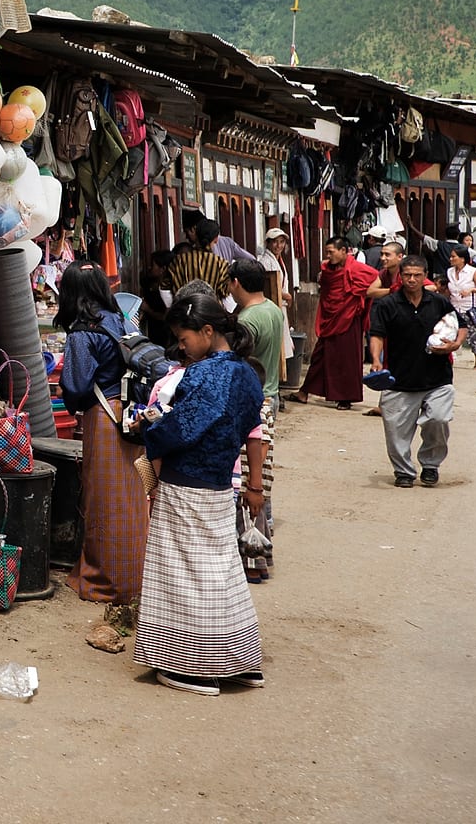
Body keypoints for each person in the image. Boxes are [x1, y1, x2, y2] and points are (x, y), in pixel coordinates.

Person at [134, 294, 266, 696]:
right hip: (219, 484)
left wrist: (148, 430)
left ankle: (191, 666)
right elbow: (248, 426)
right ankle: (238, 661)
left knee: (186, 576)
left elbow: (184, 429)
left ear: (208, 332)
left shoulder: (205, 375)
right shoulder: (245, 373)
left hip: (186, 483)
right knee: (223, 571)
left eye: (184, 337)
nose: (180, 346)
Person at [57, 261, 148, 605]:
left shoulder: (83, 332)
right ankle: (136, 574)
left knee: (104, 502)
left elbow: (77, 385)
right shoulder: (119, 318)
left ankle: (106, 581)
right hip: (130, 415)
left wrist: (71, 399)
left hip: (104, 416)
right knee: (133, 499)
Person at [368, 255, 465, 488]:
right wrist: (375, 360)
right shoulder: (387, 305)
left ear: (425, 277)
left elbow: (460, 325)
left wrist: (455, 344)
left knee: (439, 420)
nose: (412, 279)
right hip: (399, 379)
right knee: (395, 432)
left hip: (437, 378)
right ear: (400, 277)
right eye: (407, 275)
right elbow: (377, 334)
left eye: (417, 275)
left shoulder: (438, 302)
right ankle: (403, 472)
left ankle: (430, 465)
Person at [229, 259, 283, 583]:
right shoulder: (274, 310)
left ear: (236, 282)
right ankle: (264, 540)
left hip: (253, 401)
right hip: (270, 394)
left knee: (251, 478)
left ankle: (253, 551)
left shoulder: (247, 319)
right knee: (263, 474)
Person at [288, 238, 379, 410]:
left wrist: (361, 295)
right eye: (327, 252)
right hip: (331, 318)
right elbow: (327, 290)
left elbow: (376, 279)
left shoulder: (356, 269)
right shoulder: (327, 269)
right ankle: (304, 391)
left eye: (331, 252)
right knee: (319, 357)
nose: (328, 256)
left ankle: (345, 397)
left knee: (347, 359)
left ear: (344, 251)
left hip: (349, 318)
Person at [256, 228, 297, 373]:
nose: (278, 246)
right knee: (274, 348)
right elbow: (268, 286)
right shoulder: (264, 262)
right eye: (275, 242)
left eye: (281, 242)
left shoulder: (279, 261)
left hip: (280, 307)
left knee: (280, 347)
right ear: (268, 243)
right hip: (272, 307)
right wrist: (286, 295)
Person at [446, 246, 476, 371]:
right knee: (451, 334)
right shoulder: (449, 272)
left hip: (470, 308)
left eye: (454, 256)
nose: (451, 259)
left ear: (462, 259)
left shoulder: (473, 272)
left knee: (475, 335)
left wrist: (471, 290)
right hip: (455, 307)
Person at [166, 219, 230, 300]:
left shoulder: (179, 261)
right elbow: (227, 291)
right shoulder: (221, 264)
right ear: (216, 239)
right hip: (211, 309)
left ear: (196, 235)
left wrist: (173, 306)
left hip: (184, 309)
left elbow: (164, 286)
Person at [183, 210, 256, 263]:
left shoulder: (194, 255)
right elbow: (252, 260)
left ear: (193, 229)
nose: (186, 237)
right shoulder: (227, 242)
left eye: (187, 232)